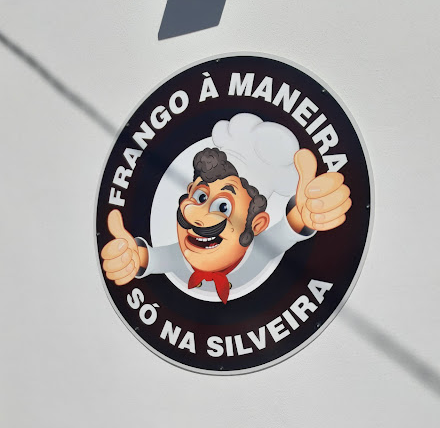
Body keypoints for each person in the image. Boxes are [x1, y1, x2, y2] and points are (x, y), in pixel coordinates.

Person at [101, 114, 351, 304]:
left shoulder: (259, 253)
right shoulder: (182, 256)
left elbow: (291, 227)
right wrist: (129, 258)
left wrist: (311, 210)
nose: (199, 217)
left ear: (257, 224)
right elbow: (153, 258)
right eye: (199, 196)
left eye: (223, 205)